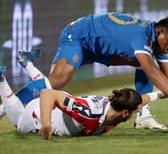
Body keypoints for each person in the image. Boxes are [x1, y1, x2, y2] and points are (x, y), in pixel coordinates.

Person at [2, 12, 168, 130]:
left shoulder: (158, 42)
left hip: (101, 50)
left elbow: (164, 75)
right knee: (57, 82)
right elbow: (153, 72)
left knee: (141, 63)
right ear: (160, 32)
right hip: (79, 36)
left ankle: (143, 116)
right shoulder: (142, 36)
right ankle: (4, 107)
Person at [0, 65, 165, 139]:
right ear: (125, 114)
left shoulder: (120, 105)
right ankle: (2, 80)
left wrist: (163, 93)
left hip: (57, 107)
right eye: (135, 112)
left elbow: (141, 100)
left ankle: (26, 65)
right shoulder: (89, 112)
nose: (137, 113)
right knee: (18, 124)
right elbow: (47, 94)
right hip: (38, 115)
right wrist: (46, 124)